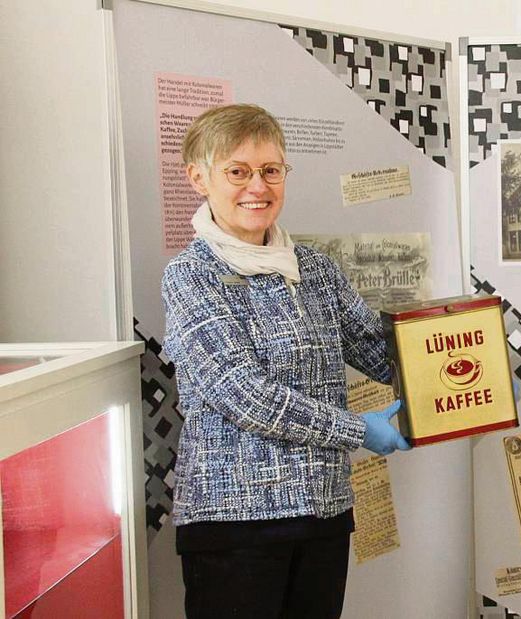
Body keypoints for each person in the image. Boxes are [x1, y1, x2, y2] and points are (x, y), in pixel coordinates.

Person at [162, 103, 410, 619]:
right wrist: (356, 430)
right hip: (233, 525)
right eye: (238, 171)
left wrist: (473, 363)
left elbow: (376, 348)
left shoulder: (314, 268)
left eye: (271, 170)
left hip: (322, 512)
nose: (258, 186)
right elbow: (242, 394)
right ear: (199, 178)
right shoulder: (190, 275)